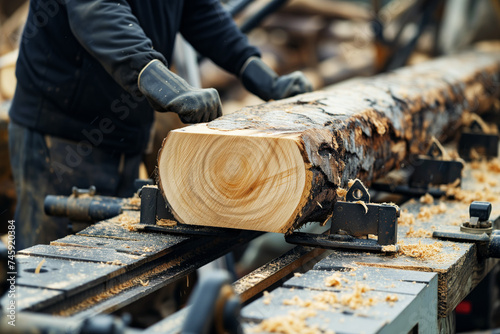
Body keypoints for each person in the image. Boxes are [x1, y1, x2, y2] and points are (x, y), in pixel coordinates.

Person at [8, 0, 312, 250]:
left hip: (125, 133)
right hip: (61, 134)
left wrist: (255, 70)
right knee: (48, 274)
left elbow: (199, 10)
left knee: (104, 264)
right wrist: (158, 79)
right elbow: (97, 10)